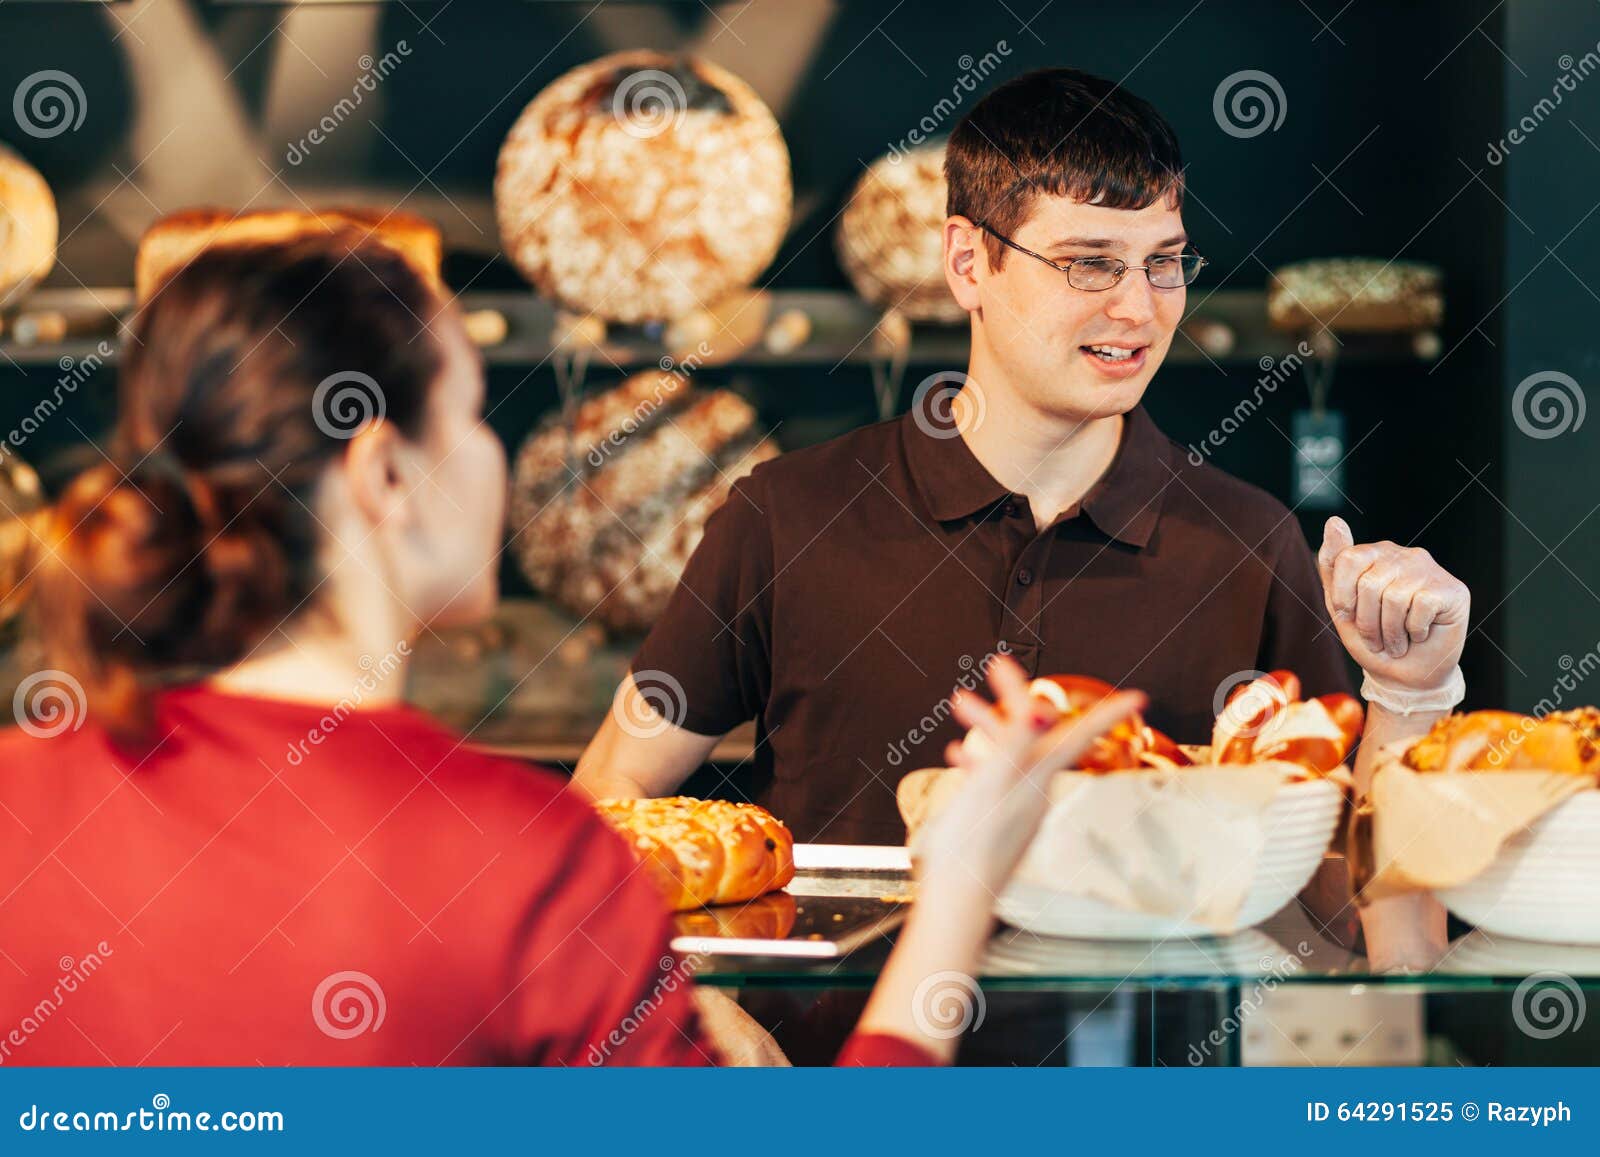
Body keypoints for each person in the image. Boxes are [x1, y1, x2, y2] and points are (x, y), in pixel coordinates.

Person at [0, 234, 1144, 1066]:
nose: (497, 458)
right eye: (472, 412)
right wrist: (958, 892)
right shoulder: (522, 858)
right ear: (384, 475)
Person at [575, 67, 1466, 963]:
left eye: (1163, 263)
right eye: (1089, 264)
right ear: (968, 262)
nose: (1138, 307)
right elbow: (611, 794)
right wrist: (690, 1023)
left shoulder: (1248, 541)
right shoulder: (785, 513)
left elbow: (1354, 912)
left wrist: (1409, 698)